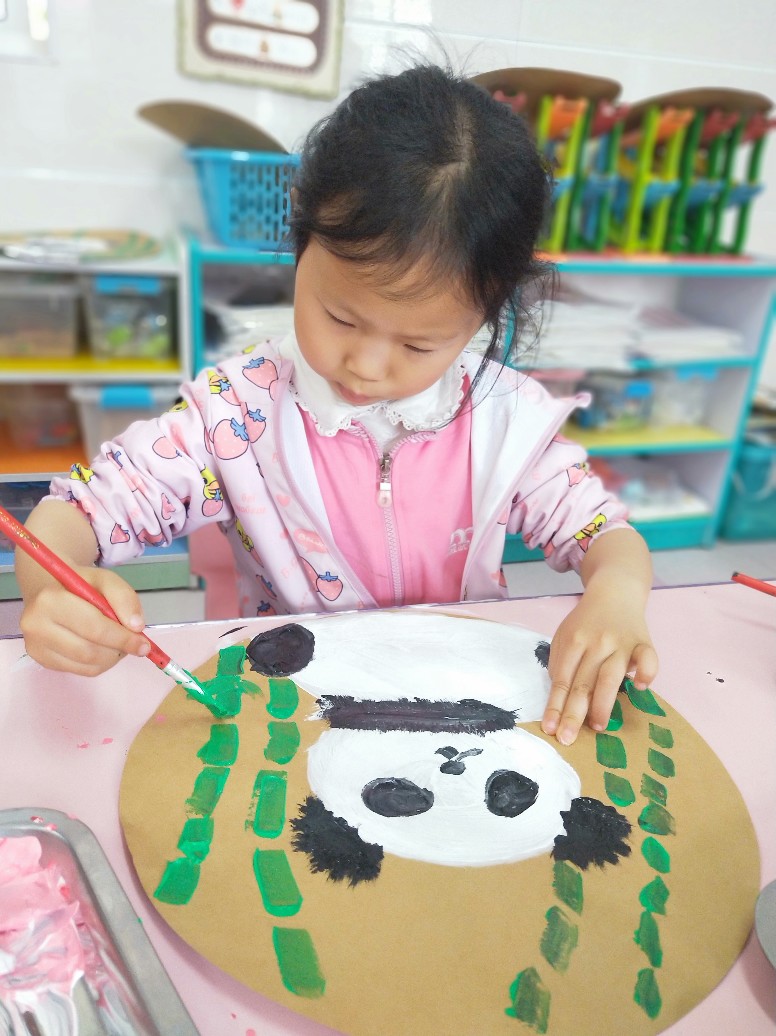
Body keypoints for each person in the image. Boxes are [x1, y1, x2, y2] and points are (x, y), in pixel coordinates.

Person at [15, 63, 657, 746]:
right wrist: (54, 588)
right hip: (291, 717)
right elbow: (76, 512)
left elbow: (605, 535)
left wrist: (616, 596)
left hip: (460, 713)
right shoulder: (234, 415)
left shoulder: (506, 418)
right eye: (341, 318)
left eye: (418, 344)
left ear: (485, 315)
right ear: (301, 237)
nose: (367, 367)